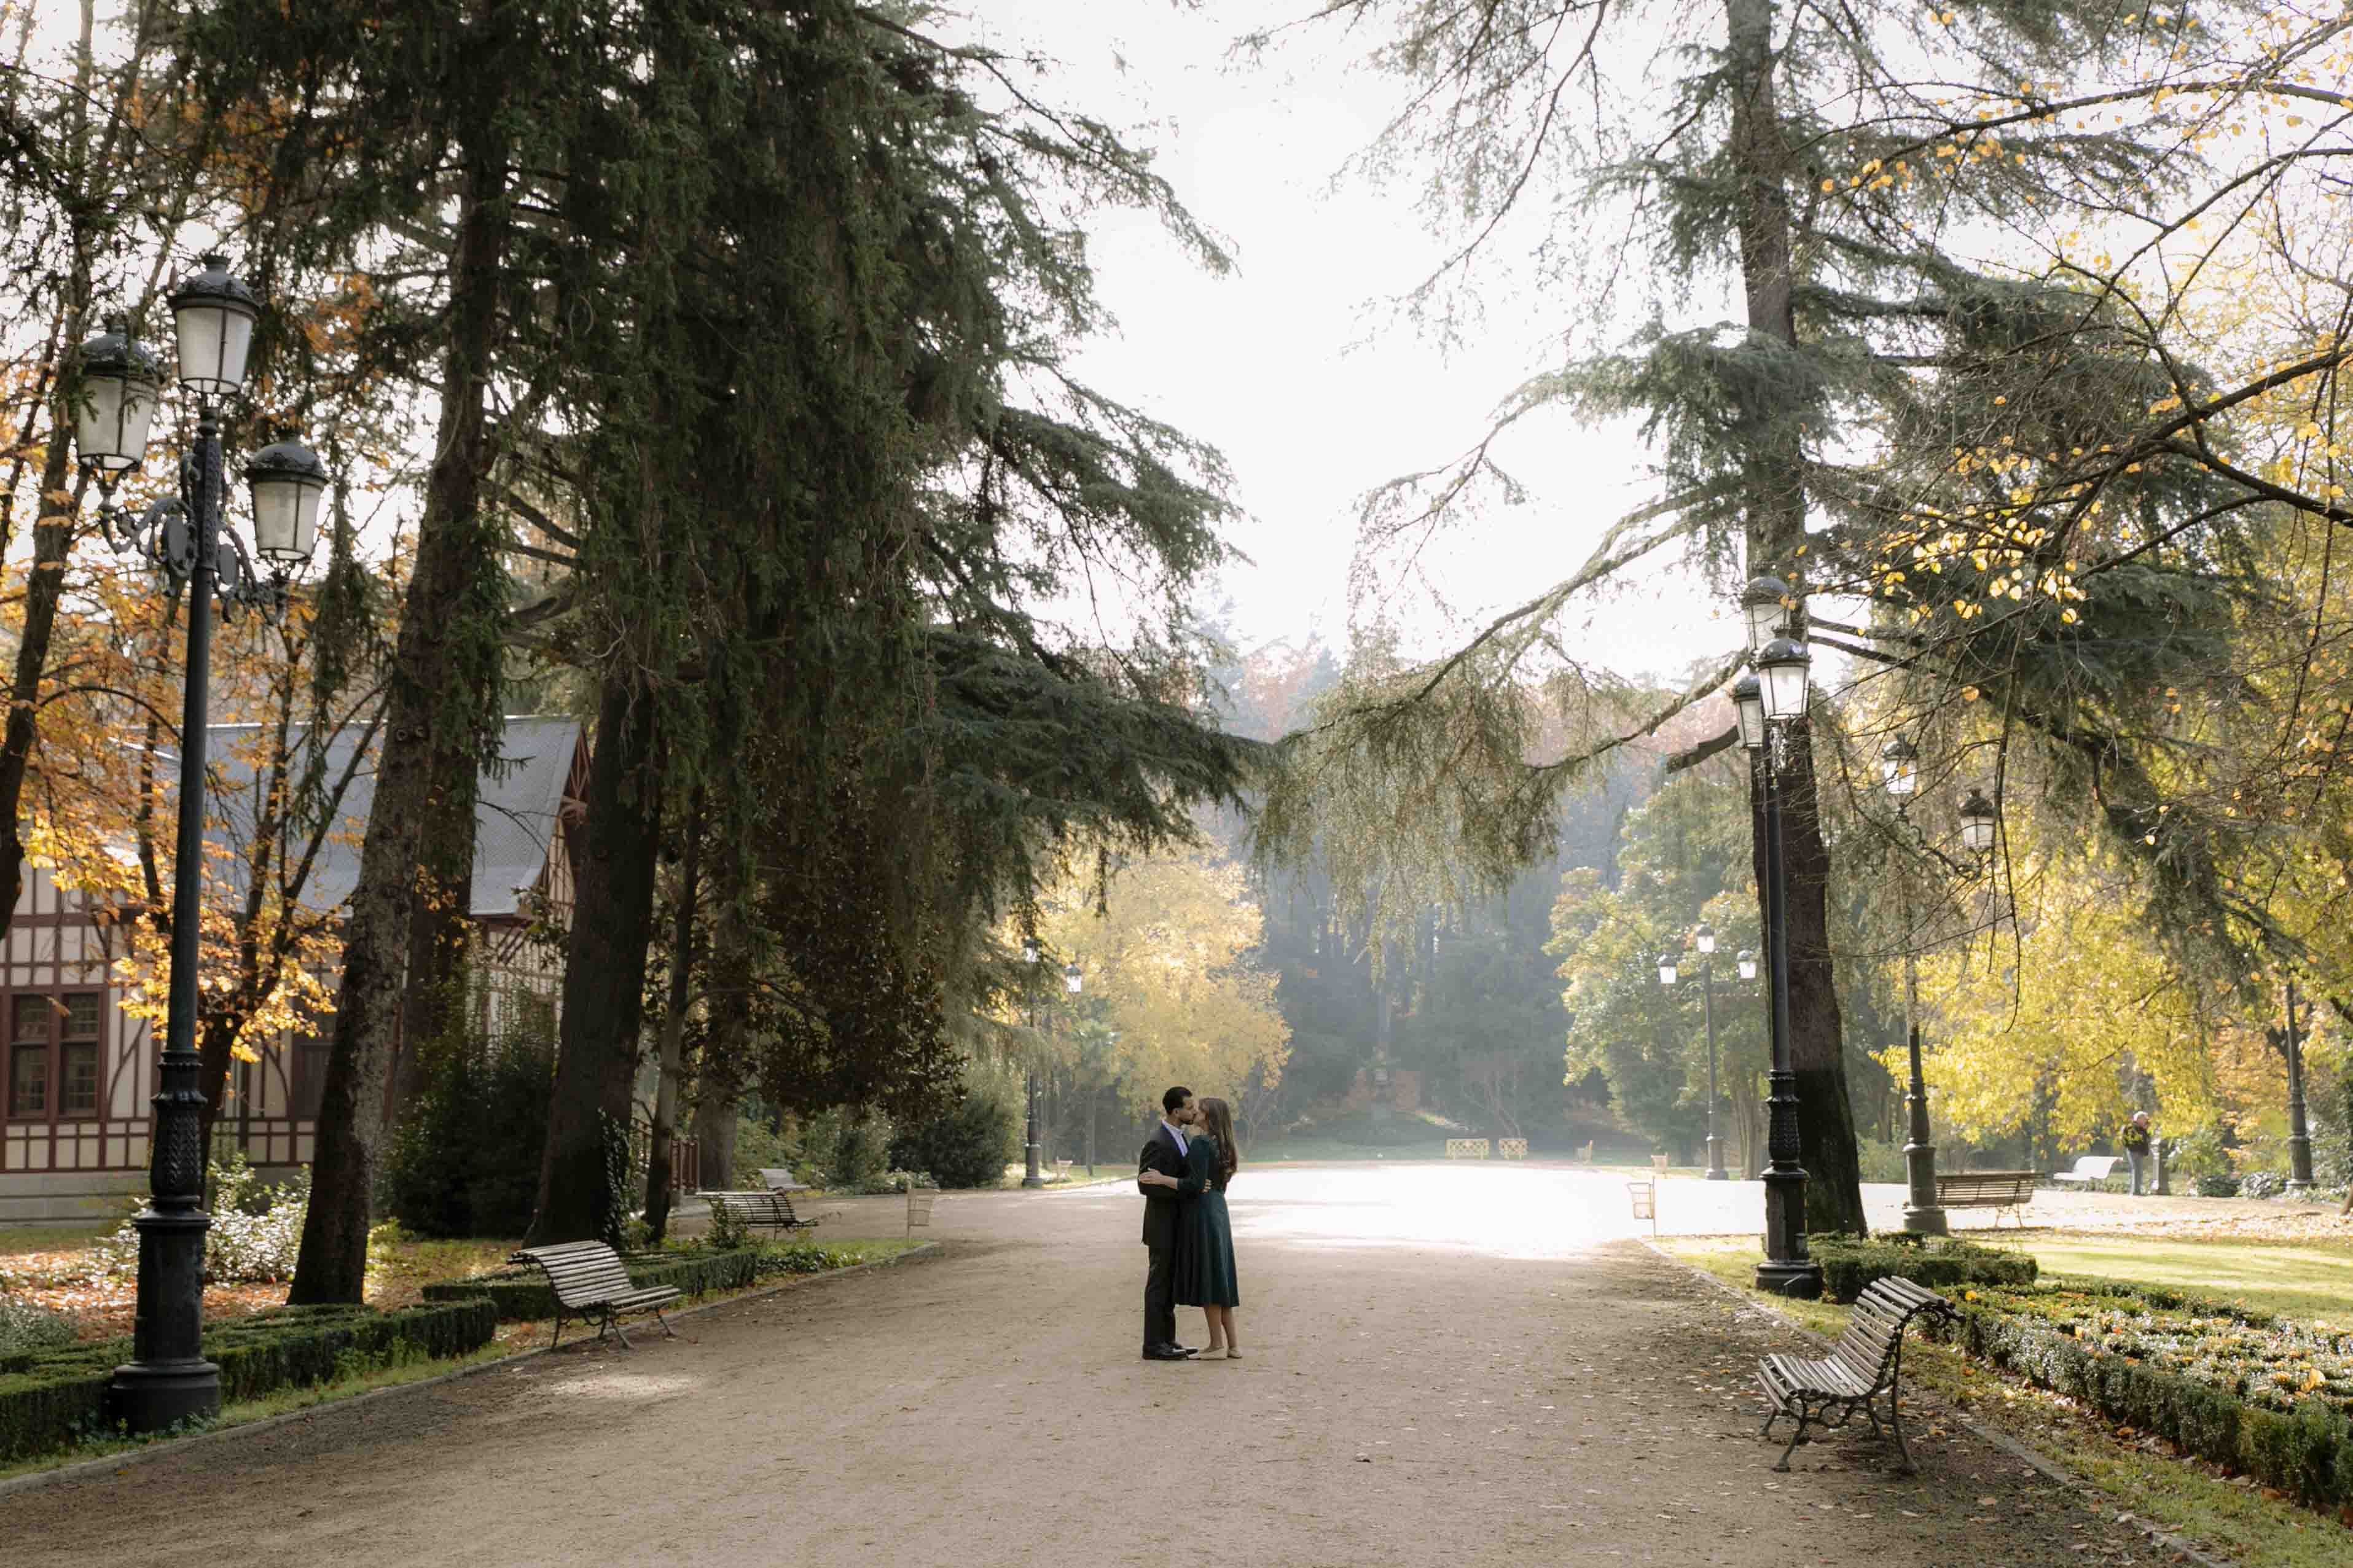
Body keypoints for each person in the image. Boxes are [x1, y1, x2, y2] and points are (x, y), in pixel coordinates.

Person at [1147, 1094, 1243, 1359]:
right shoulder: (1225, 1145)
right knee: (1221, 1278)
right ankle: (1233, 1345)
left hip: (1203, 1214)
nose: (1195, 1114)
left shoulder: (1201, 1143)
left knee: (1210, 1279)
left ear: (1209, 1117)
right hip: (1218, 1211)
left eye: (1199, 1111)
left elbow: (1193, 1184)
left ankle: (1215, 1346)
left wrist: (1162, 1178)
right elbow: (1208, 1182)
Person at [1137, 1085, 1199, 1361]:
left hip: (1175, 1226)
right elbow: (1145, 1186)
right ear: (1177, 1112)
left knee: (1170, 1285)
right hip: (1162, 1226)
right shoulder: (1158, 1142)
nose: (1194, 1111)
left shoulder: (1181, 1137)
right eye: (1190, 1107)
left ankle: (1168, 1340)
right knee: (1159, 1285)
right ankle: (1153, 1345)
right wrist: (1181, 1189)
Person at [2120, 1111, 2153, 1196]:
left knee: (2138, 1171)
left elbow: (2146, 1139)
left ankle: (2136, 1190)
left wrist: (2146, 1130)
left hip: (2140, 1151)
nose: (2145, 1121)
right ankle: (2136, 1191)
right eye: (2144, 1119)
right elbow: (2125, 1139)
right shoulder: (2131, 1128)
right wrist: (2130, 1147)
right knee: (2136, 1170)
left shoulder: (2141, 1128)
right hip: (2134, 1151)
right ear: (2139, 1119)